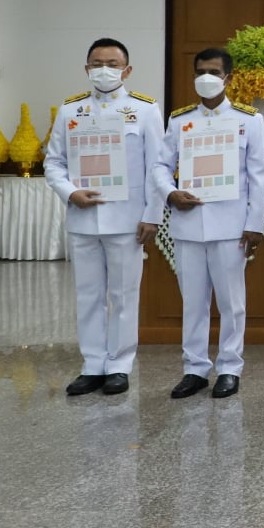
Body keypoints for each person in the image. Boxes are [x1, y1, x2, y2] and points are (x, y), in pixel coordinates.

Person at [44, 37, 164, 396]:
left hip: (128, 220)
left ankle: (120, 365)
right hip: (83, 218)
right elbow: (53, 162)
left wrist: (152, 215)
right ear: (86, 69)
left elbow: (157, 167)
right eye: (97, 63)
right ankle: (93, 364)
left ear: (127, 70)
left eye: (112, 64)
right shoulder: (70, 111)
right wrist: (70, 192)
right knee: (88, 294)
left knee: (124, 294)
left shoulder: (145, 110)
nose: (104, 70)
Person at [155, 48, 264, 399]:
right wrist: (170, 193)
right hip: (189, 222)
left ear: (228, 78)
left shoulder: (248, 120)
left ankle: (230, 368)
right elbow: (160, 166)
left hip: (231, 225)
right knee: (192, 301)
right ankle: (195, 368)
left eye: (214, 71)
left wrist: (255, 224)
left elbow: (259, 176)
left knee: (231, 301)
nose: (206, 77)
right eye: (200, 71)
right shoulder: (179, 120)